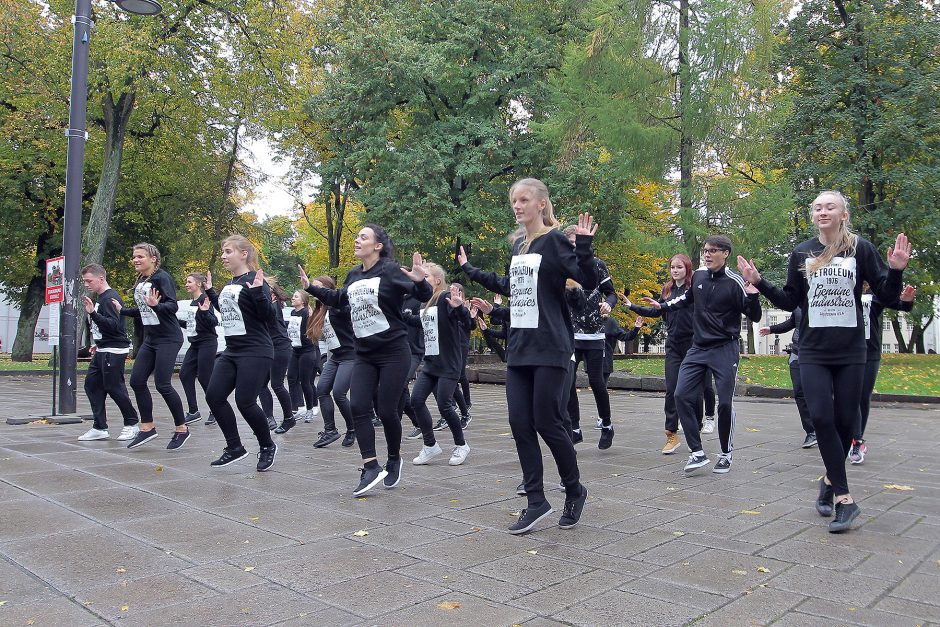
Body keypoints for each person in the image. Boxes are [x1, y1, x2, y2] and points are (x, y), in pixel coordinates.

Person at [738, 190, 910, 533]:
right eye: (817, 207)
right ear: (813, 215)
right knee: (820, 417)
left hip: (851, 351)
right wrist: (759, 282)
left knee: (847, 420)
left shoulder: (861, 248)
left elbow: (888, 296)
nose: (822, 211)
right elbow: (790, 300)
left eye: (830, 206)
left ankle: (831, 480)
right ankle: (846, 498)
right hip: (814, 350)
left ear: (843, 214)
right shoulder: (802, 251)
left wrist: (895, 271)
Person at [459, 177, 598, 535]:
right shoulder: (520, 246)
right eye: (513, 201)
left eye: (523, 200)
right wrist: (470, 271)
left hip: (551, 345)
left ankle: (574, 489)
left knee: (548, 422)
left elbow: (587, 277)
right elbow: (512, 287)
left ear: (541, 204)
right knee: (520, 423)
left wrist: (584, 247)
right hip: (519, 348)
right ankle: (535, 500)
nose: (517, 206)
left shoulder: (553, 241)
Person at [301, 224, 433, 496]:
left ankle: (394, 458)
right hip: (364, 354)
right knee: (359, 405)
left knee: (387, 410)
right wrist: (311, 289)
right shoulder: (353, 275)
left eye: (363, 237)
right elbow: (339, 298)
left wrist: (421, 280)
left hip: (394, 352)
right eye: (357, 236)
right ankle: (370, 465)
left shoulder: (390, 270)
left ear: (378, 245)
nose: (357, 240)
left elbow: (421, 294)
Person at [640, 236, 762, 474]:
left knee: (724, 403)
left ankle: (726, 453)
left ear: (725, 253)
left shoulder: (736, 281)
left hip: (725, 349)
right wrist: (662, 307)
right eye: (705, 250)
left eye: (713, 251)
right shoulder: (698, 277)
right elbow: (686, 299)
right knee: (681, 394)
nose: (707, 254)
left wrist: (754, 294)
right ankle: (697, 452)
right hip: (698, 348)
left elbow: (754, 316)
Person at [203, 235, 278, 471]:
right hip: (233, 350)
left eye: (228, 251)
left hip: (256, 350)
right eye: (223, 252)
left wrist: (257, 293)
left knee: (245, 402)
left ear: (243, 254)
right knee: (214, 396)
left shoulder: (257, 281)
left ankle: (267, 446)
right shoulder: (230, 283)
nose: (223, 256)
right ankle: (235, 447)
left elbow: (270, 317)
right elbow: (228, 311)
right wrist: (211, 292)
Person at [626, 254, 707, 454]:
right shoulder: (667, 289)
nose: (675, 270)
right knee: (671, 389)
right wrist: (632, 307)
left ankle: (694, 430)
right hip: (673, 345)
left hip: (693, 344)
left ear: (687, 268)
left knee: (694, 392)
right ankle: (671, 434)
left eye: (679, 267)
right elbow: (658, 311)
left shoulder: (693, 288)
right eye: (672, 267)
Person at [117, 243, 190, 450]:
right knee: (137, 381)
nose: (136, 260)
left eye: (140, 256)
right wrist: (122, 310)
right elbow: (143, 311)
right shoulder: (142, 280)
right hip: (151, 338)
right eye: (134, 257)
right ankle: (147, 427)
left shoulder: (161, 278)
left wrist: (156, 305)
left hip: (168, 337)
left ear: (153, 259)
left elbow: (172, 306)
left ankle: (182, 429)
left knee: (162, 384)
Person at [407, 264, 472, 466]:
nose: (421, 278)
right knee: (416, 400)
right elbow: (423, 324)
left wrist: (460, 308)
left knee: (445, 404)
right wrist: (402, 315)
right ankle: (430, 445)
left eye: (426, 276)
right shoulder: (424, 302)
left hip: (449, 363)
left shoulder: (445, 298)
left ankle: (461, 445)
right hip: (431, 363)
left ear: (437, 280)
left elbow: (467, 324)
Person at [561, 225, 618, 448]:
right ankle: (574, 427)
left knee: (596, 382)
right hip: (570, 334)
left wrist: (608, 304)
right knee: (568, 383)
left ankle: (606, 424)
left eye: (579, 243)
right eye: (571, 243)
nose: (575, 247)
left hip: (594, 333)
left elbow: (611, 292)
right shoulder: (562, 266)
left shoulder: (597, 264)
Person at [849, 283, 916, 463]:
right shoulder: (843, 287)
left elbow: (899, 304)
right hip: (846, 349)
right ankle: (851, 436)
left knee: (862, 396)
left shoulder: (876, 293)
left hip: (870, 351)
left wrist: (907, 301)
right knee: (850, 396)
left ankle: (857, 439)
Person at [78, 264, 140, 442]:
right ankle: (99, 427)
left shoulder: (110, 298)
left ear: (101, 279)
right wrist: (98, 343)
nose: (87, 284)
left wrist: (93, 314)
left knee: (114, 387)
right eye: (85, 281)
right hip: (104, 349)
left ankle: (131, 424)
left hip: (114, 351)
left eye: (89, 281)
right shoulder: (101, 298)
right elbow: (105, 327)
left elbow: (115, 326)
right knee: (92, 385)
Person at [310, 276, 356, 448]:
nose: (314, 290)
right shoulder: (321, 309)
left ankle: (353, 429)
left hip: (350, 356)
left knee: (339, 393)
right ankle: (330, 430)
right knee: (321, 390)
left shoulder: (339, 307)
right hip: (335, 357)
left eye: (317, 287)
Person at [759, 308, 816, 448]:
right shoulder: (798, 303)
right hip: (797, 353)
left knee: (819, 393)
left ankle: (831, 429)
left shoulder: (821, 298)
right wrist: (771, 329)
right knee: (799, 394)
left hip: (816, 354)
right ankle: (811, 432)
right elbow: (793, 321)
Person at [178, 272, 218, 426]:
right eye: (186, 282)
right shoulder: (192, 302)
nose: (187, 284)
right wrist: (172, 319)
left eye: (189, 282)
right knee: (184, 374)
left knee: (204, 377)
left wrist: (204, 313)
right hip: (195, 344)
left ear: (199, 284)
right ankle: (193, 411)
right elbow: (191, 324)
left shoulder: (204, 300)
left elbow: (212, 321)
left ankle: (216, 408)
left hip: (207, 343)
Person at [283, 290, 322, 431]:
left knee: (306, 382)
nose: (292, 298)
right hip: (295, 350)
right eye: (292, 296)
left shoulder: (307, 312)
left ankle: (310, 409)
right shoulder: (293, 313)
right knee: (292, 378)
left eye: (296, 296)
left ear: (303, 300)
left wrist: (312, 314)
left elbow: (315, 324)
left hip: (307, 351)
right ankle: (297, 408)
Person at [601, 313, 644, 385]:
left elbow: (625, 336)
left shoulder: (610, 322)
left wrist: (636, 328)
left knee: (601, 388)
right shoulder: (588, 320)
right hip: (591, 360)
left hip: (605, 361)